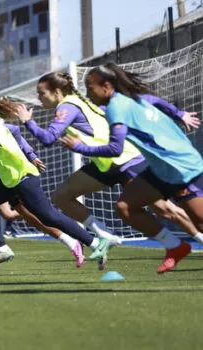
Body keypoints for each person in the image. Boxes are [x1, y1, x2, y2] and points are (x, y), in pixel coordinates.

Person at [15, 71, 201, 250]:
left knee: (166, 210)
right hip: (104, 163)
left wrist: (27, 121)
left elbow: (48, 138)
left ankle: (198, 238)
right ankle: (105, 235)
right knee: (62, 196)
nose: (39, 98)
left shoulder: (67, 106)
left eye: (42, 93)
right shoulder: (79, 101)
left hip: (125, 160)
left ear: (56, 91)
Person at [63, 62, 202, 273]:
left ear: (106, 86)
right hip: (161, 169)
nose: (88, 93)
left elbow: (116, 148)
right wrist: (179, 113)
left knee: (200, 223)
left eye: (90, 87)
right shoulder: (134, 98)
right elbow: (156, 101)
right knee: (125, 207)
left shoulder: (116, 108)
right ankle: (175, 247)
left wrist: (80, 147)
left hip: (180, 168)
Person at [0, 93, 112, 268]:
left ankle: (95, 242)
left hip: (21, 177)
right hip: (9, 180)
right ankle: (2, 248)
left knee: (48, 216)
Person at [0, 130, 85, 267]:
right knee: (31, 218)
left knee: (25, 215)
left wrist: (30, 154)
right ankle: (71, 242)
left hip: (2, 182)